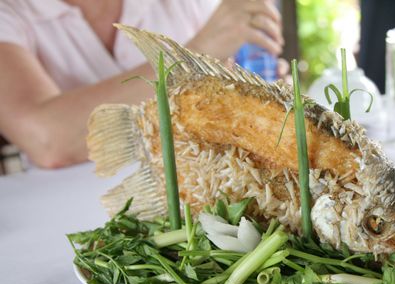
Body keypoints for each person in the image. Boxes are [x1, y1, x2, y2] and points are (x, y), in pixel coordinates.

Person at [0, 0, 285, 169]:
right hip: (59, 225)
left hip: (200, 194)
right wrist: (192, 57)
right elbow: (47, 142)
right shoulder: (11, 11)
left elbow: (235, 85)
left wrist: (252, 91)